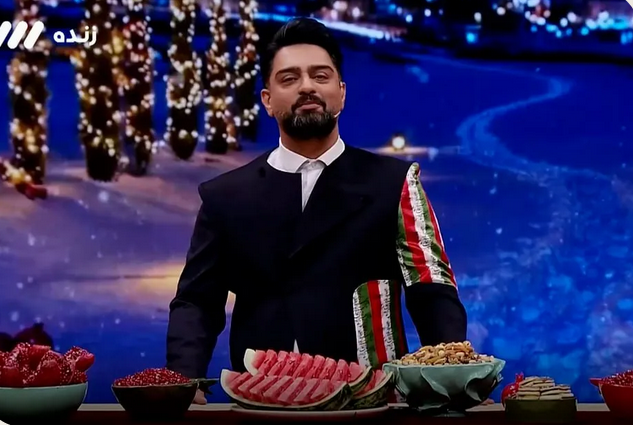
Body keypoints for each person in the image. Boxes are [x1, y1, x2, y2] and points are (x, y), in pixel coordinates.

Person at [166, 17, 467, 405]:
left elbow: (432, 289)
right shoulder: (225, 196)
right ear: (267, 100)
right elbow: (197, 302)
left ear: (341, 93)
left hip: (373, 402)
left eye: (320, 76)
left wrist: (451, 380)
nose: (307, 86)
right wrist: (184, 379)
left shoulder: (395, 183)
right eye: (289, 78)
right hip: (262, 403)